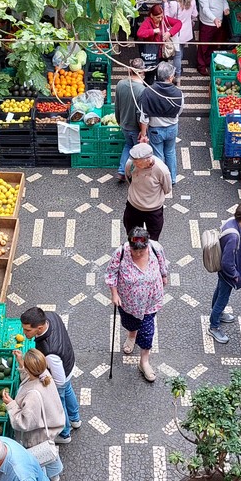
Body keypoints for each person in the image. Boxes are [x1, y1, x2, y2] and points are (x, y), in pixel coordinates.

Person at [107, 226, 169, 383]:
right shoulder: (120, 253)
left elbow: (162, 263)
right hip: (128, 302)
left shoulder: (155, 248)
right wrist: (114, 294)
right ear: (130, 246)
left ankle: (144, 362)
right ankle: (131, 335)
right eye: (136, 251)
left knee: (148, 332)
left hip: (150, 301)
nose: (139, 253)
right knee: (130, 323)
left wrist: (164, 276)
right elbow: (111, 273)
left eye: (142, 250)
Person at [20, 307, 81, 444]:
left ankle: (65, 434)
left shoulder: (50, 352)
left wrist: (50, 387)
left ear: (40, 328)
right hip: (68, 363)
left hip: (61, 375)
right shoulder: (51, 316)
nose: (24, 333)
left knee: (60, 404)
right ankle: (75, 419)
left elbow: (59, 381)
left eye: (28, 330)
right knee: (68, 390)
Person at [5, 349, 66, 481]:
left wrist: (11, 405)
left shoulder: (33, 395)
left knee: (39, 457)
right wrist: (22, 364)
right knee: (50, 453)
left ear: (29, 368)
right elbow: (29, 378)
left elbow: (24, 423)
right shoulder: (44, 375)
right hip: (49, 429)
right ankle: (55, 475)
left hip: (37, 436)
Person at [207, 202, 241, 345]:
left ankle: (216, 313)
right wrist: (235, 275)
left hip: (222, 272)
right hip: (228, 274)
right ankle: (214, 326)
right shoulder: (234, 237)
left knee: (219, 291)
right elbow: (227, 262)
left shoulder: (230, 221)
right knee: (223, 298)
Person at [138, 62, 185, 183]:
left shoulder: (148, 92)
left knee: (158, 156)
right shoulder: (178, 94)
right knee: (170, 152)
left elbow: (144, 117)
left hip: (155, 130)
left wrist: (143, 135)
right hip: (172, 127)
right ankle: (172, 178)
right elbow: (179, 111)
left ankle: (160, 179)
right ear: (170, 77)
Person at [123, 142, 172, 241]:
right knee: (133, 238)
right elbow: (129, 179)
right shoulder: (131, 164)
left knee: (152, 241)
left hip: (153, 210)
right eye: (133, 160)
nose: (134, 163)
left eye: (137, 161)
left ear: (148, 160)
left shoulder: (161, 170)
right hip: (133, 207)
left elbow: (167, 189)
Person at [114, 59, 147, 181]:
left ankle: (122, 171)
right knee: (137, 151)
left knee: (128, 146)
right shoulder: (142, 90)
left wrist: (119, 121)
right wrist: (143, 132)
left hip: (124, 124)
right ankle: (134, 174)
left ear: (129, 70)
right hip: (135, 127)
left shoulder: (120, 84)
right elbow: (142, 115)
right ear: (143, 71)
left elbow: (116, 105)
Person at [137, 4, 184, 86]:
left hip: (162, 54)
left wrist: (170, 33)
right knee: (149, 77)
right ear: (151, 15)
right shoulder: (147, 22)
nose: (160, 19)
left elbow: (178, 23)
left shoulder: (164, 19)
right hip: (150, 54)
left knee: (162, 76)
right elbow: (140, 33)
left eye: (161, 16)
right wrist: (153, 31)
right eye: (158, 17)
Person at [196, 0, 231, 75]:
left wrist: (226, 8)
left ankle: (208, 61)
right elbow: (205, 9)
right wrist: (214, 19)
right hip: (207, 24)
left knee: (214, 44)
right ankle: (201, 65)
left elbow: (224, 0)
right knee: (204, 45)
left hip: (218, 23)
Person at [166, 0, 198, 83]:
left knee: (177, 55)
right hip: (187, 31)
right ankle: (178, 68)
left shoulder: (174, 4)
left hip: (177, 33)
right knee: (180, 51)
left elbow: (167, 18)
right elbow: (195, 14)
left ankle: (177, 75)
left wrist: (166, 4)